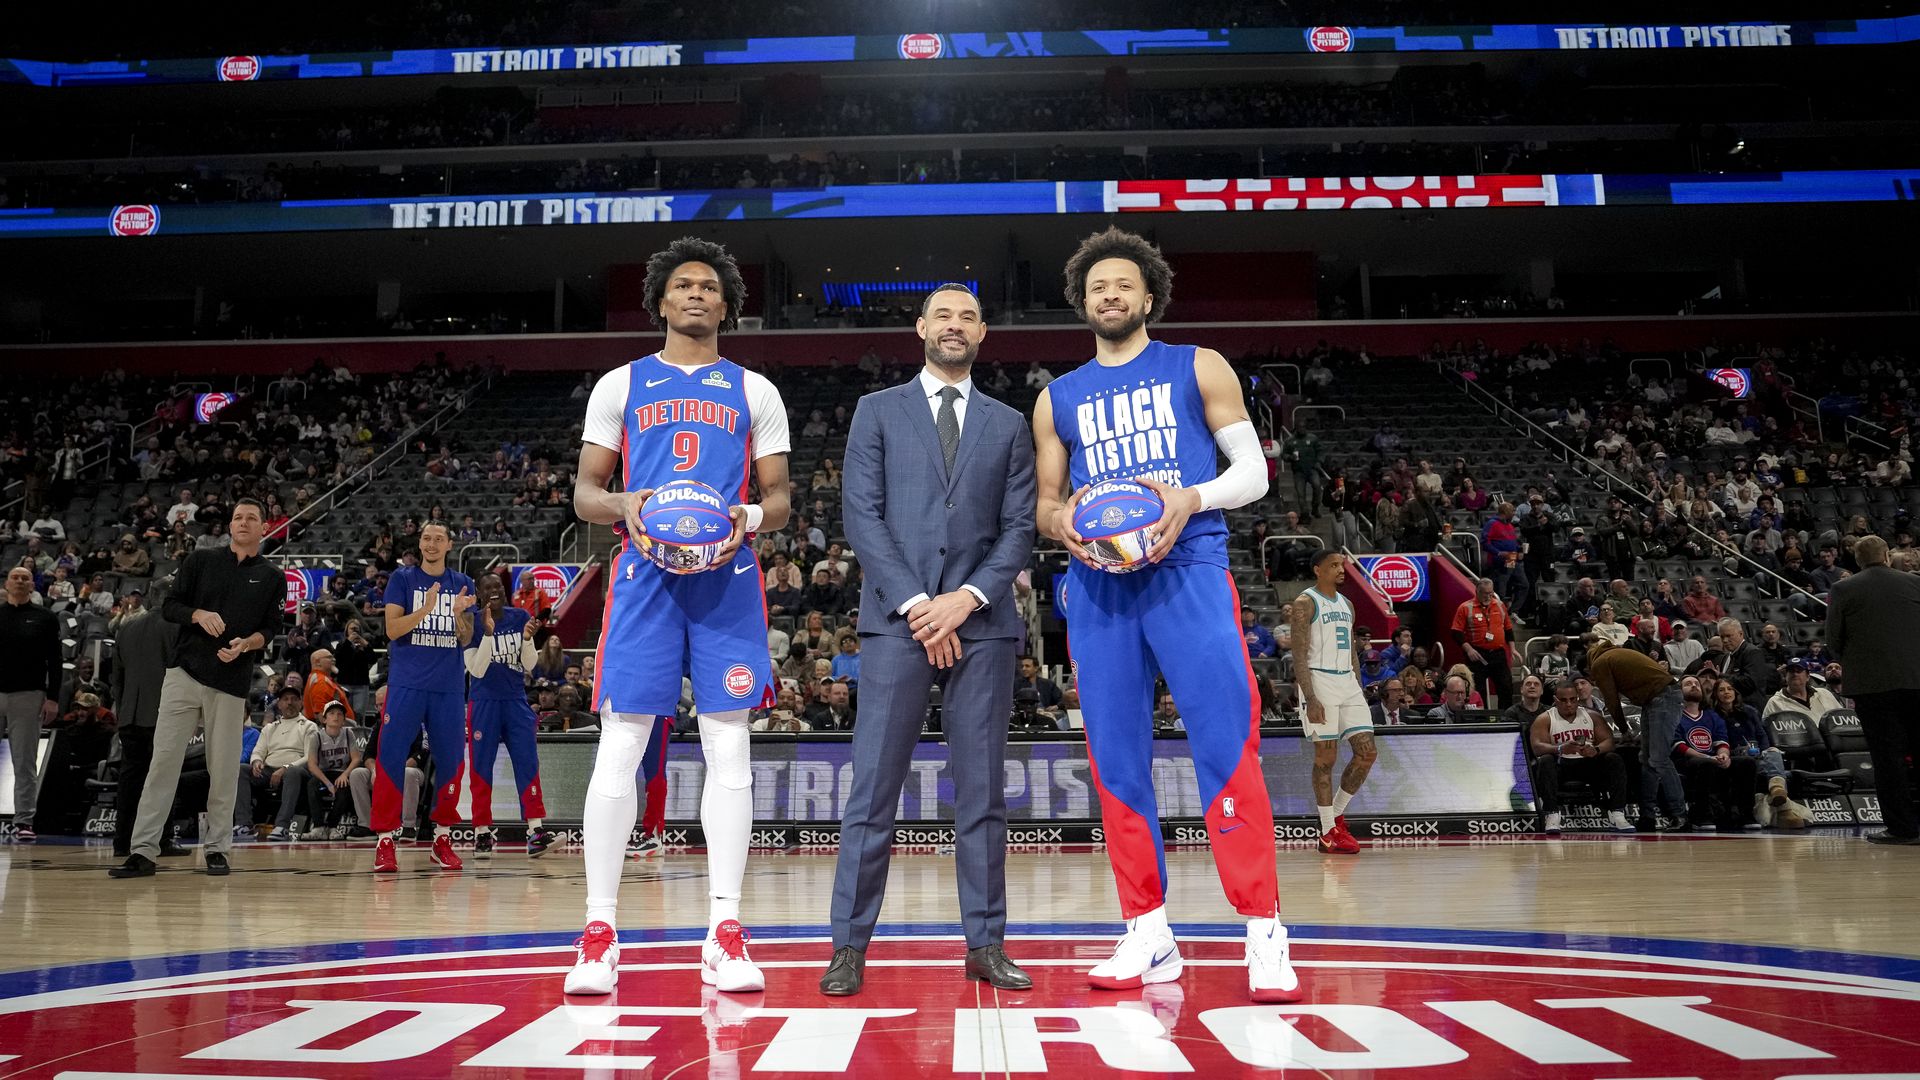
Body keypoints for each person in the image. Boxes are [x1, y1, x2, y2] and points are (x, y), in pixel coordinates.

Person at [1030, 227, 1298, 1002]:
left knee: (1226, 746)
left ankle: (1263, 930)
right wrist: (1065, 525)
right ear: (1082, 303)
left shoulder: (1197, 364)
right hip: (1099, 588)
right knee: (1116, 762)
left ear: (1149, 296)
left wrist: (1192, 496)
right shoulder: (1058, 397)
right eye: (1095, 288)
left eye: (1123, 285)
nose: (1109, 296)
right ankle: (1148, 935)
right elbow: (1047, 506)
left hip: (1189, 571)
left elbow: (1252, 473)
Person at [568, 236, 793, 995]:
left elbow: (783, 500)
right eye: (682, 286)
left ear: (727, 305)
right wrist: (623, 504)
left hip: (726, 579)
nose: (696, 295)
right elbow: (586, 494)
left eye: (710, 287)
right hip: (644, 580)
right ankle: (599, 932)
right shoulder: (620, 385)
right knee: (623, 743)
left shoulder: (756, 390)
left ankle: (724, 932)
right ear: (661, 301)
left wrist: (750, 517)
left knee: (729, 748)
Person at [823, 282, 1037, 997]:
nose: (954, 325)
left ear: (983, 334)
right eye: (942, 314)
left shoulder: (1010, 424)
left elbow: (1018, 529)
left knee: (981, 795)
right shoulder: (875, 411)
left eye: (968, 316)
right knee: (873, 793)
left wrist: (964, 601)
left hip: (982, 626)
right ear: (920, 327)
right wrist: (922, 606)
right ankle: (849, 947)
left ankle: (985, 943)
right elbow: (862, 517)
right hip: (897, 624)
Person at [111, 499, 284, 878]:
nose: (242, 522)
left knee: (222, 771)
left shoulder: (273, 577)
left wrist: (247, 644)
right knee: (162, 764)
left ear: (262, 527)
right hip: (184, 674)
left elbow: (271, 630)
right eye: (237, 516)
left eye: (251, 518)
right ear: (230, 524)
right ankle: (143, 850)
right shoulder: (201, 561)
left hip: (231, 680)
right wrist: (198, 614)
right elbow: (170, 606)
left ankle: (218, 849)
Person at [370, 521, 476, 874]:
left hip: (447, 687)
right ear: (420, 543)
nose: (432, 544)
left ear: (449, 545)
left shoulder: (463, 583)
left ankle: (442, 837)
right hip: (406, 684)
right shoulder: (402, 579)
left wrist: (459, 614)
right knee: (390, 758)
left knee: (451, 763)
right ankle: (386, 840)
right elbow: (392, 629)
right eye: (427, 538)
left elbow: (465, 639)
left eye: (439, 539)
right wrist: (426, 609)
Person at [1825, 535, 1920, 845]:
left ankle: (1902, 829)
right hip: (1916, 680)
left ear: (1857, 560)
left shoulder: (1843, 588)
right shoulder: (1914, 582)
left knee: (1888, 759)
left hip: (1873, 687)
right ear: (1886, 555)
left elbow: (1833, 641)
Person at [1289, 550, 1377, 856]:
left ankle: (1337, 815)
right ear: (1318, 569)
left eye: (1343, 565)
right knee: (1325, 758)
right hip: (1319, 680)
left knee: (1367, 752)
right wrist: (1310, 696)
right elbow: (1298, 654)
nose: (1341, 570)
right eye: (1334, 565)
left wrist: (1358, 684)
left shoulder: (1347, 604)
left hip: (1347, 681)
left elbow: (1352, 650)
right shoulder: (1305, 603)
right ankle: (1327, 832)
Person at [463, 572, 554, 857]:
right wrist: (489, 634)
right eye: (487, 586)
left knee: (528, 763)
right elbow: (476, 670)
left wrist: (527, 638)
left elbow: (529, 664)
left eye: (498, 587)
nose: (494, 591)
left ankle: (535, 831)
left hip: (515, 701)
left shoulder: (519, 616)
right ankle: (481, 833)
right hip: (483, 702)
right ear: (479, 592)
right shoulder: (471, 622)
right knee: (481, 769)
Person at [1585, 640, 1690, 832]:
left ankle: (1679, 815)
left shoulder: (1601, 662)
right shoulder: (1617, 654)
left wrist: (1624, 729)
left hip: (1662, 697)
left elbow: (1611, 700)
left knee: (1658, 759)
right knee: (1647, 759)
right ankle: (1647, 817)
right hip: (1658, 698)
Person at [107, 593, 181, 858]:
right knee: (163, 777)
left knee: (129, 780)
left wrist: (125, 706)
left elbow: (116, 677)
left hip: (130, 714)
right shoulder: (176, 627)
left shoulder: (126, 627)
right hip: (162, 713)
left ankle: (121, 841)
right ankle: (161, 839)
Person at [1, 566, 62, 843]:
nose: (20, 580)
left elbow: (56, 660)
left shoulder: (45, 618)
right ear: (7, 583)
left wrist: (53, 697)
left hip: (28, 695)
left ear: (32, 585)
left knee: (24, 761)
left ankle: (23, 820)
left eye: (25, 577)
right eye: (16, 576)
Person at [1530, 680, 1635, 833]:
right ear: (1555, 700)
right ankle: (1552, 815)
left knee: (1614, 758)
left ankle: (1617, 813)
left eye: (1573, 699)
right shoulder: (1545, 718)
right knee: (1545, 761)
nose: (1569, 704)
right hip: (1561, 765)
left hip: (1587, 762)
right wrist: (1560, 748)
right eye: (1564, 700)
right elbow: (1537, 747)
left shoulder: (1592, 715)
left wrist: (1596, 750)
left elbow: (1609, 741)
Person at [240, 685, 319, 841]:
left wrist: (286, 767)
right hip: (269, 770)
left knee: (292, 772)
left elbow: (309, 757)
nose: (289, 702)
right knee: (241, 770)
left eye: (294, 699)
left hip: (297, 771)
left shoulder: (309, 726)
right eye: (285, 699)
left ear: (300, 703)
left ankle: (282, 826)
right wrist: (256, 761)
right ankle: (244, 825)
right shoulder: (270, 728)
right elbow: (258, 751)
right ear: (279, 704)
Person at [1671, 674, 1741, 830]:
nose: (1694, 686)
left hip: (1712, 758)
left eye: (1696, 683)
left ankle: (1745, 815)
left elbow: (1721, 741)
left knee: (1747, 763)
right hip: (1686, 761)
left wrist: (1724, 755)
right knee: (1704, 764)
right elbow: (1678, 746)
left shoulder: (1712, 716)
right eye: (1688, 684)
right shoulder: (1673, 716)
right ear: (1678, 692)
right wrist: (1709, 757)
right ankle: (1702, 815)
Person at [1452, 577, 1515, 709]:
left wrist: (1513, 649)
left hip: (1497, 653)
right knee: (1478, 689)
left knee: (1506, 686)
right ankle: (1483, 718)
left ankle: (1506, 717)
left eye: (1490, 593)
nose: (1488, 596)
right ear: (1477, 591)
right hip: (1477, 653)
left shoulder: (1499, 605)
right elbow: (1456, 632)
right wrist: (1468, 649)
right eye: (1485, 593)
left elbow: (1508, 628)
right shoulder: (1465, 607)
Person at [303, 701, 361, 840]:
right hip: (323, 773)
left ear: (344, 720)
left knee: (344, 787)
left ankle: (332, 827)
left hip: (341, 772)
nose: (336, 716)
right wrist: (328, 784)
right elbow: (312, 765)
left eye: (340, 714)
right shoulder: (316, 736)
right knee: (312, 784)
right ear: (324, 719)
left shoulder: (348, 733)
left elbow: (356, 758)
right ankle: (318, 827)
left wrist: (345, 774)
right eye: (332, 713)